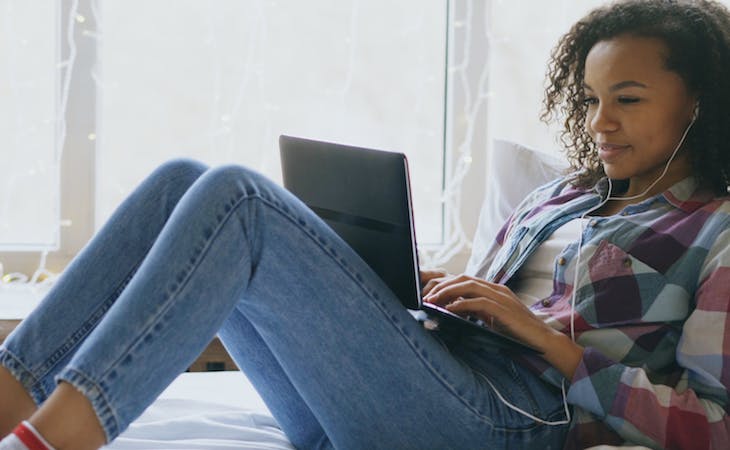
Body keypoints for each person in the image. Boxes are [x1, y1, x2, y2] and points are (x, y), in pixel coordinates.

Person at [2, 0, 730, 448]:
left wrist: (548, 342)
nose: (599, 122)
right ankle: (12, 392)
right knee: (181, 180)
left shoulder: (713, 230)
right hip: (410, 392)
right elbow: (501, 311)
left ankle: (65, 434)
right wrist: (457, 293)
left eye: (626, 99)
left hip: (506, 423)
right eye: (591, 100)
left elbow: (714, 426)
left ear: (703, 102)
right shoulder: (564, 198)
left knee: (240, 197)